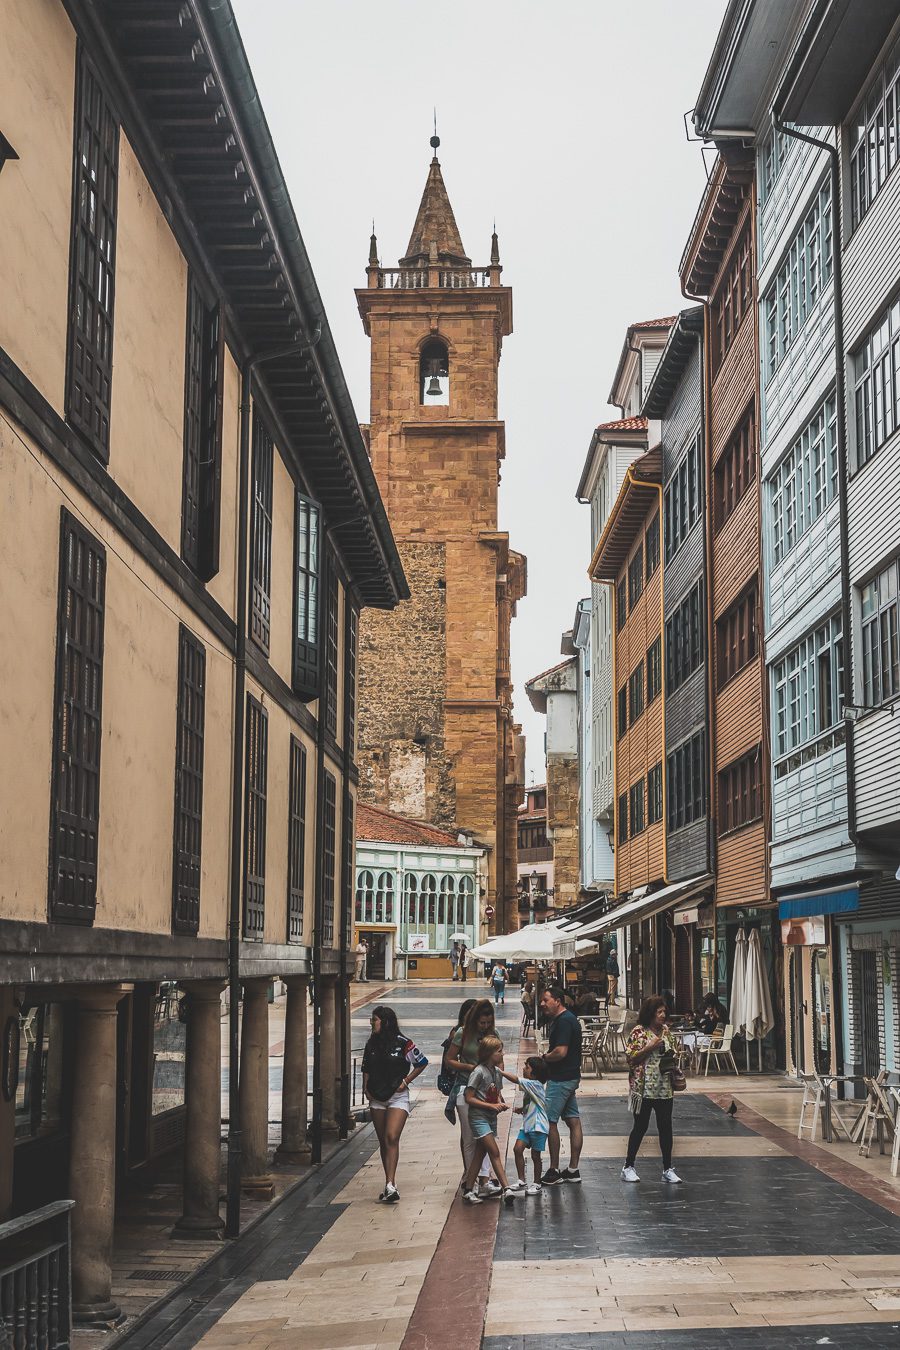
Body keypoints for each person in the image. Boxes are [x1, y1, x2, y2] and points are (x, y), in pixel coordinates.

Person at [361, 1006, 428, 1202]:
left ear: (385, 1021)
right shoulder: (371, 1044)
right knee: (383, 1140)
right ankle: (389, 1183)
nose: (372, 1023)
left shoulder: (404, 1043)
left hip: (397, 1096)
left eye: (375, 1020)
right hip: (377, 1097)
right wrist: (365, 1088)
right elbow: (366, 1067)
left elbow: (422, 1062)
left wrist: (405, 1081)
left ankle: (391, 1183)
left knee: (392, 1136)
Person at [622, 994, 682, 1185]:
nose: (663, 1015)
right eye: (659, 1012)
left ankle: (667, 1168)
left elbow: (674, 1053)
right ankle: (628, 1166)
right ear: (650, 1014)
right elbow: (631, 1058)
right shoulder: (639, 1032)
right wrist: (650, 1047)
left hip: (664, 1088)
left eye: (664, 1011)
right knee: (640, 1127)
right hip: (643, 1089)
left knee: (666, 1127)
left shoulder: (667, 1032)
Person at [445, 998, 498, 1196]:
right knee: (469, 1138)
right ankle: (471, 1179)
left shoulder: (494, 1034)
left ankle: (483, 1179)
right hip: (465, 1087)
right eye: (481, 1023)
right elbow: (449, 1060)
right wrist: (469, 1067)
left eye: (488, 1023)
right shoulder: (462, 1033)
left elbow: (499, 1062)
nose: (484, 1027)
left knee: (485, 1137)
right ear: (475, 1020)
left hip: (486, 1091)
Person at [537, 985, 583, 1185]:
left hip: (561, 1078)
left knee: (550, 1121)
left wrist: (544, 1057)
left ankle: (554, 1169)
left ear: (558, 1000)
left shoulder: (564, 1021)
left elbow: (561, 1052)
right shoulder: (569, 1018)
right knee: (573, 1120)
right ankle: (573, 1169)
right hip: (570, 1076)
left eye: (546, 1000)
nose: (542, 1004)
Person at [461, 1036, 515, 1204]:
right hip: (479, 1118)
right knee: (494, 1151)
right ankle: (507, 1188)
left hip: (490, 1118)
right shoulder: (478, 1072)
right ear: (490, 1054)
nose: (502, 1054)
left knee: (480, 1153)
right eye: (499, 1051)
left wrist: (499, 1103)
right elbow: (468, 1097)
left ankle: (469, 1189)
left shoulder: (496, 1072)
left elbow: (495, 1092)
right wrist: (490, 1106)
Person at [505, 1055, 549, 1194]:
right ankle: (522, 1180)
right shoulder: (532, 1086)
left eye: (527, 1067)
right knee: (518, 1149)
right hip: (528, 1125)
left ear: (534, 1073)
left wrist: (499, 1071)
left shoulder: (535, 1085)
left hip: (538, 1126)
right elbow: (531, 1103)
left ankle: (536, 1183)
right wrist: (522, 1109)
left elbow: (515, 1079)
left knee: (536, 1156)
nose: (524, 1069)